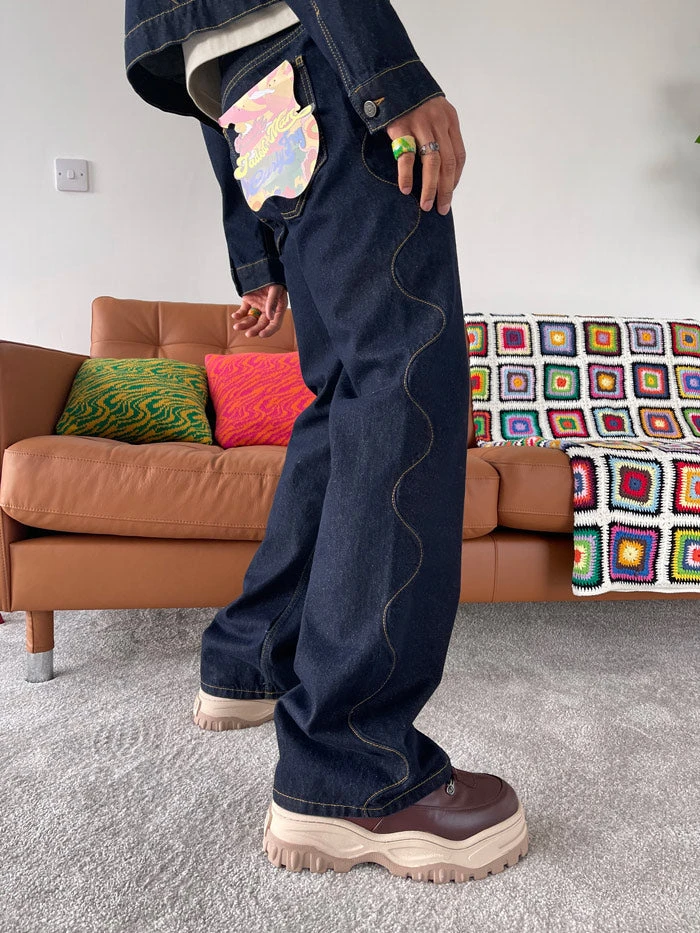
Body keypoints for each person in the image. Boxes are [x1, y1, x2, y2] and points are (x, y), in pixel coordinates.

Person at [124, 0, 529, 883]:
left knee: (347, 392)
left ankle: (249, 656)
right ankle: (351, 769)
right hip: (321, 56)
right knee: (402, 384)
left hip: (246, 89)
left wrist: (255, 257)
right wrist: (390, 79)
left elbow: (207, 68)